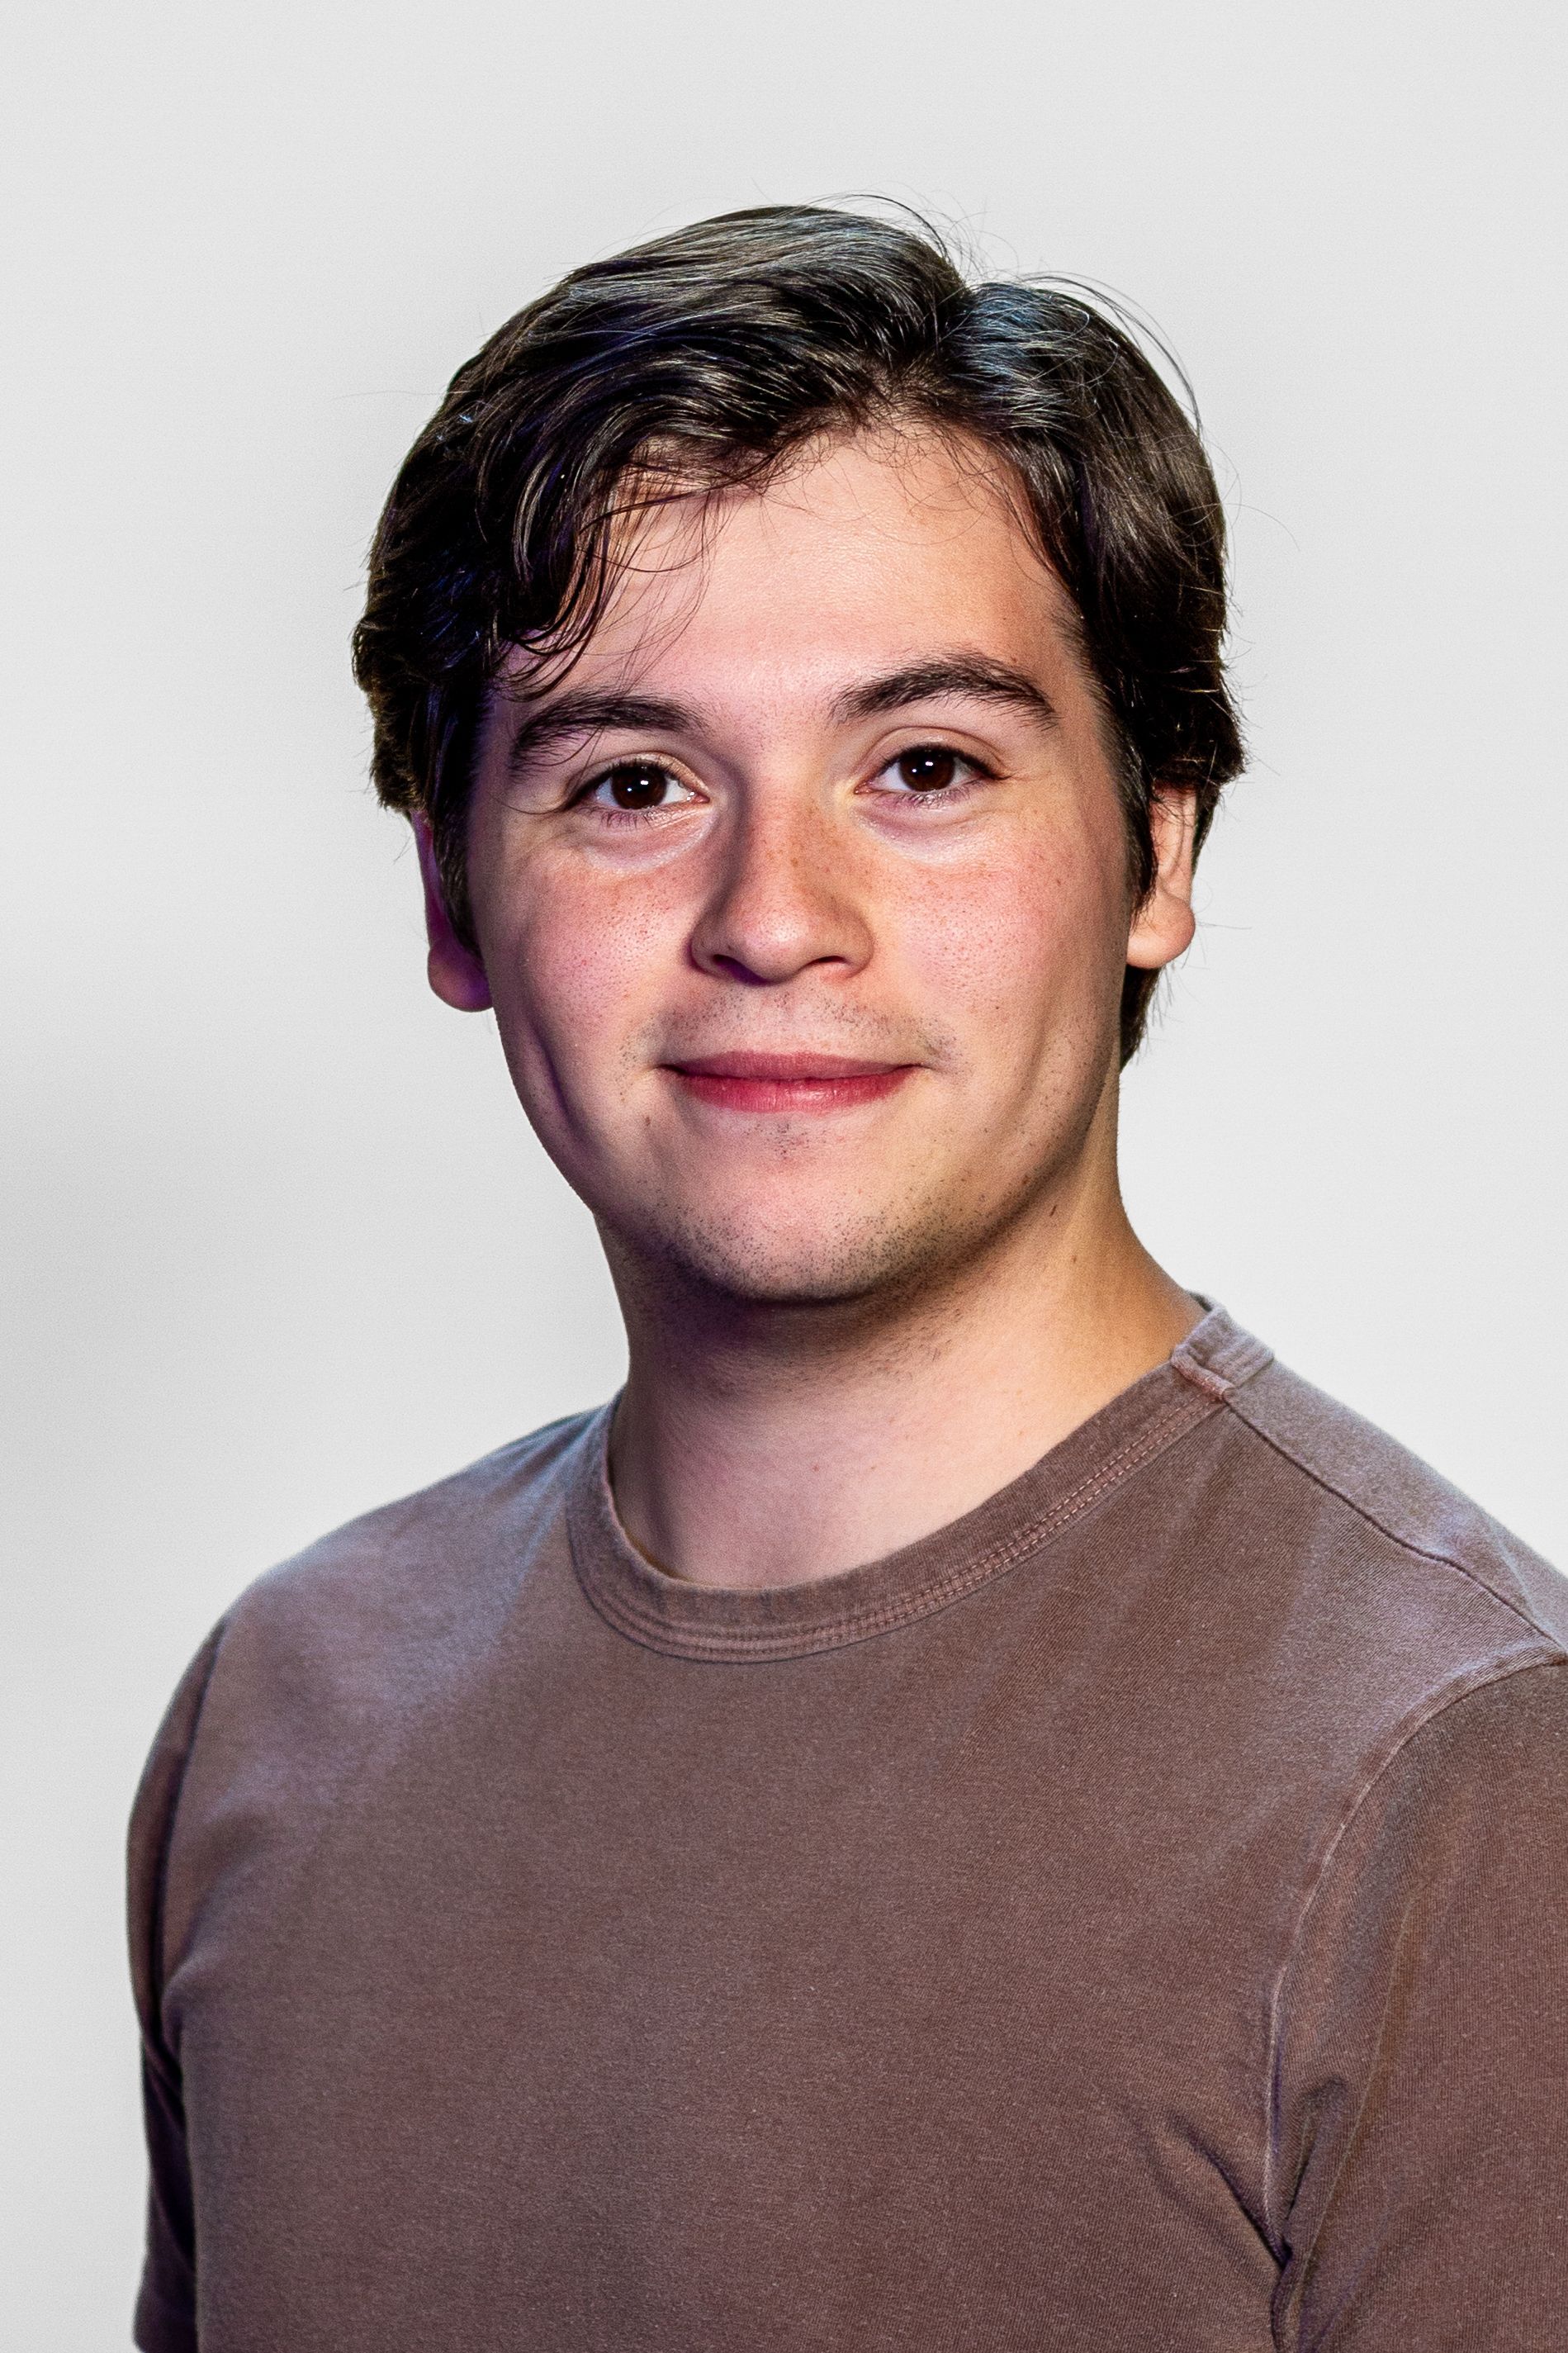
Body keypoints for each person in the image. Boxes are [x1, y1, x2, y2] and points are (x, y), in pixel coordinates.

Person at [128, 206, 1568, 2352]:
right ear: (450, 892)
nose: (774, 914)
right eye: (633, 783)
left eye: (925, 769)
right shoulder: (286, 1708)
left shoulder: (1467, 1781)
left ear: (1159, 846)